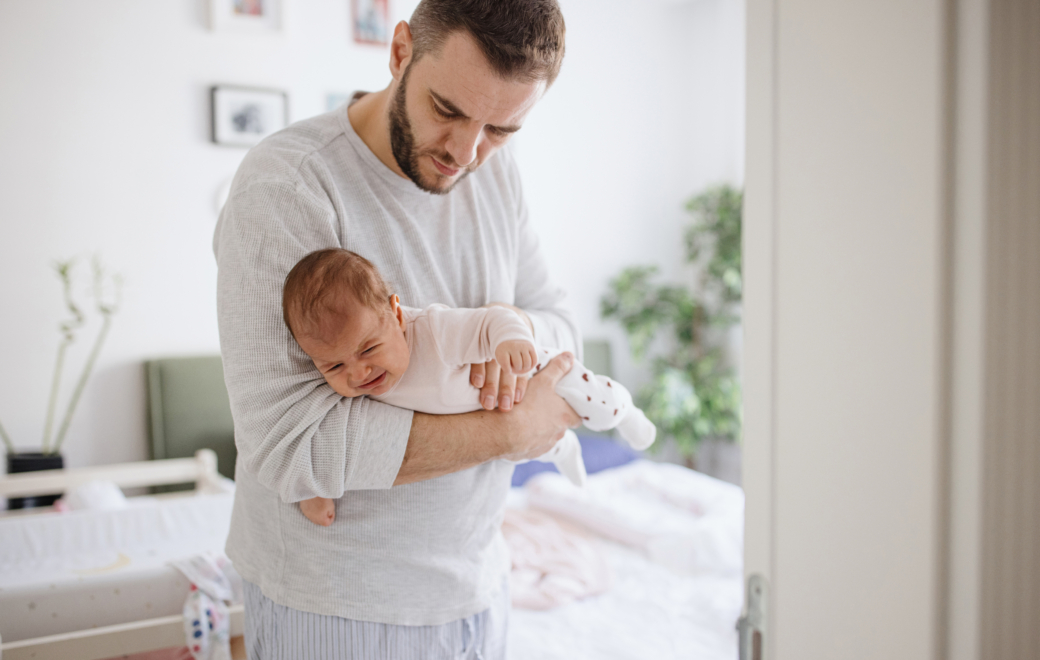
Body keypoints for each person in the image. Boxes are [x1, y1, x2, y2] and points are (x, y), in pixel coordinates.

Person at [213, 1, 578, 657]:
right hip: (338, 607)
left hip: (480, 587)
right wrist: (511, 429)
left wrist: (510, 333)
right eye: (448, 110)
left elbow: (559, 326)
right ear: (400, 49)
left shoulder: (498, 176)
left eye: (500, 128)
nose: (466, 154)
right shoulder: (290, 186)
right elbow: (288, 445)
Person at [279, 249, 657, 526]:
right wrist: (314, 493)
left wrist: (510, 341)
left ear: (396, 315)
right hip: (498, 411)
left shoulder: (434, 332)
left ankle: (628, 413)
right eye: (334, 365)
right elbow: (321, 445)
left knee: (596, 401)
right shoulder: (346, 383)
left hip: (533, 367)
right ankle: (565, 450)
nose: (359, 372)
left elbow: (490, 321)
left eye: (369, 348)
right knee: (526, 448)